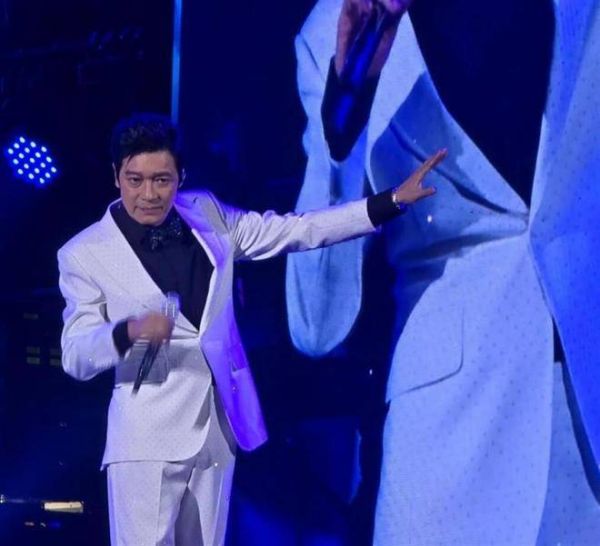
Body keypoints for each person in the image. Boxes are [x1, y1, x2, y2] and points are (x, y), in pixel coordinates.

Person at [286, 0, 600, 544]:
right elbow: (316, 325)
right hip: (447, 434)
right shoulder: (332, 31)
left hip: (584, 405)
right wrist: (345, 131)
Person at [57, 113, 444, 545]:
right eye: (135, 180)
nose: (148, 194)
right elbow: (75, 354)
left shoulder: (207, 213)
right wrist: (127, 331)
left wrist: (389, 201)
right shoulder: (84, 254)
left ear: (181, 177)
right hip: (146, 441)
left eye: (161, 180)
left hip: (217, 430)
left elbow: (296, 229)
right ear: (116, 176)